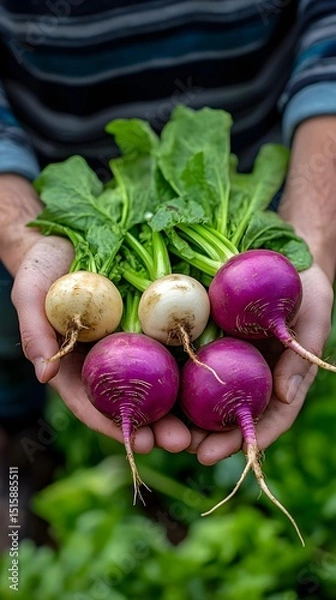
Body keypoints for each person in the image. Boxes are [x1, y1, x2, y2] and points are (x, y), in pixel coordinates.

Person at [0, 0, 335, 470]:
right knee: (10, 348)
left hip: (258, 177)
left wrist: (314, 233)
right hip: (35, 178)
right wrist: (19, 237)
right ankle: (15, 437)